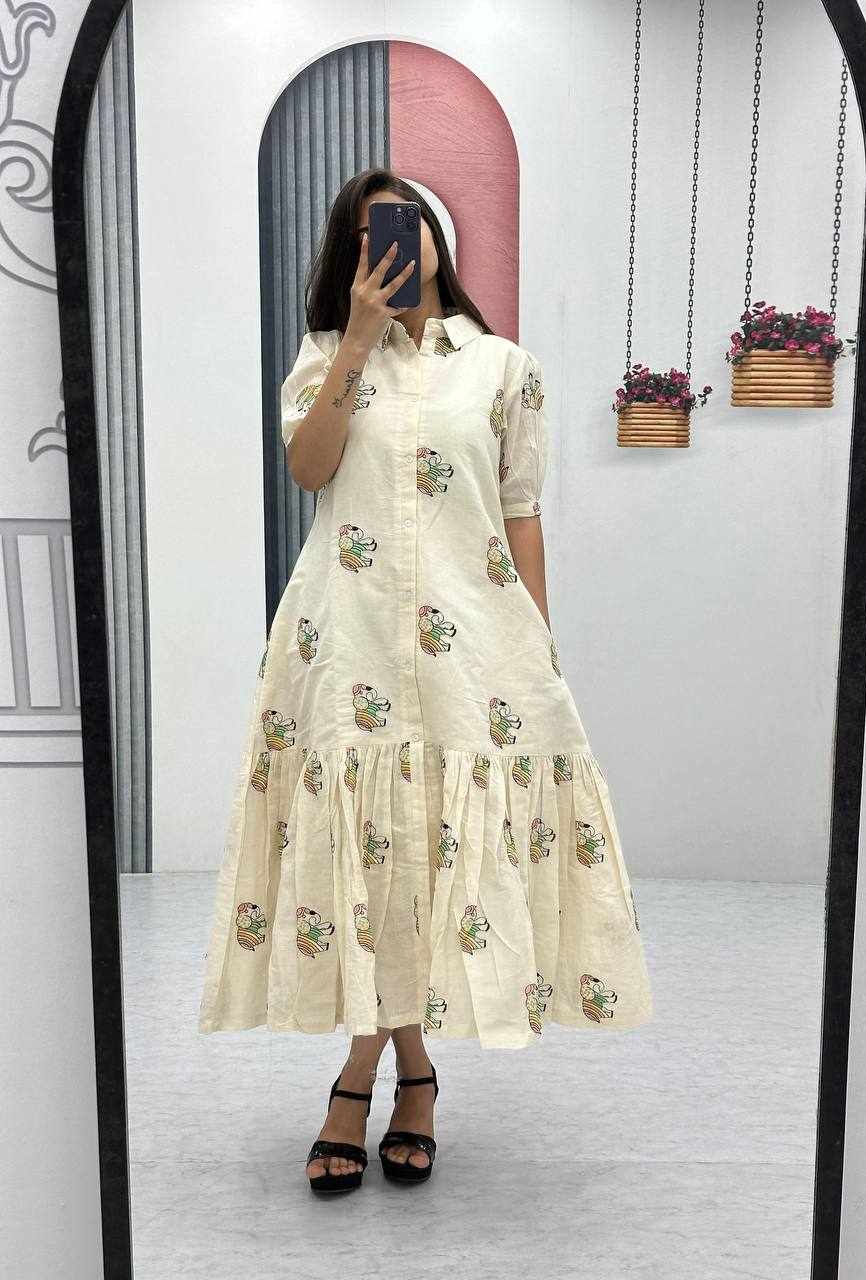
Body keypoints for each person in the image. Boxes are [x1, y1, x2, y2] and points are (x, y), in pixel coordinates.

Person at [197, 167, 653, 1193]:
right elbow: (310, 469)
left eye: (405, 228)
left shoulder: (504, 369)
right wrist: (356, 344)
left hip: (473, 650)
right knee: (379, 855)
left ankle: (360, 1083)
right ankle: (409, 1078)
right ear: (350, 256)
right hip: (345, 644)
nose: (395, 249)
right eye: (370, 236)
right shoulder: (323, 357)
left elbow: (521, 511)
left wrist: (538, 644)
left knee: (423, 850)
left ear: (438, 239)